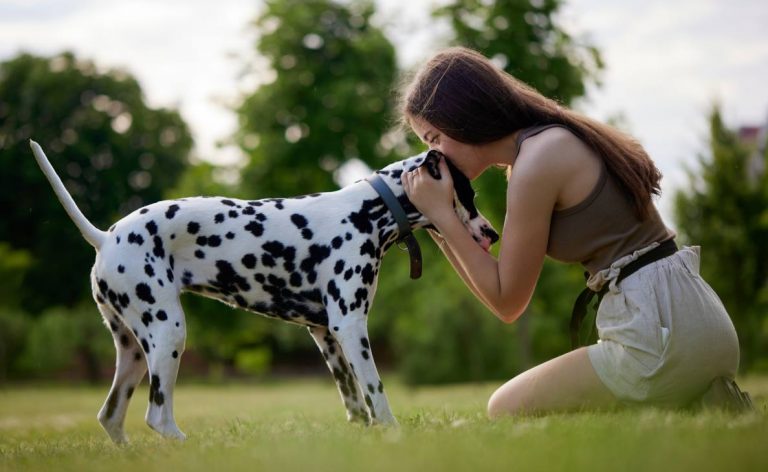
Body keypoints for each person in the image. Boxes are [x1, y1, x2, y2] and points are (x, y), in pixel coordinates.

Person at [399, 46, 741, 417]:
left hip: (659, 333)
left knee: (504, 407)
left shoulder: (536, 162)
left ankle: (681, 394)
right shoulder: (549, 141)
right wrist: (440, 221)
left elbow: (507, 301)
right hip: (696, 320)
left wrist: (442, 216)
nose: (434, 155)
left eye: (434, 139)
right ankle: (697, 400)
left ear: (463, 116)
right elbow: (500, 292)